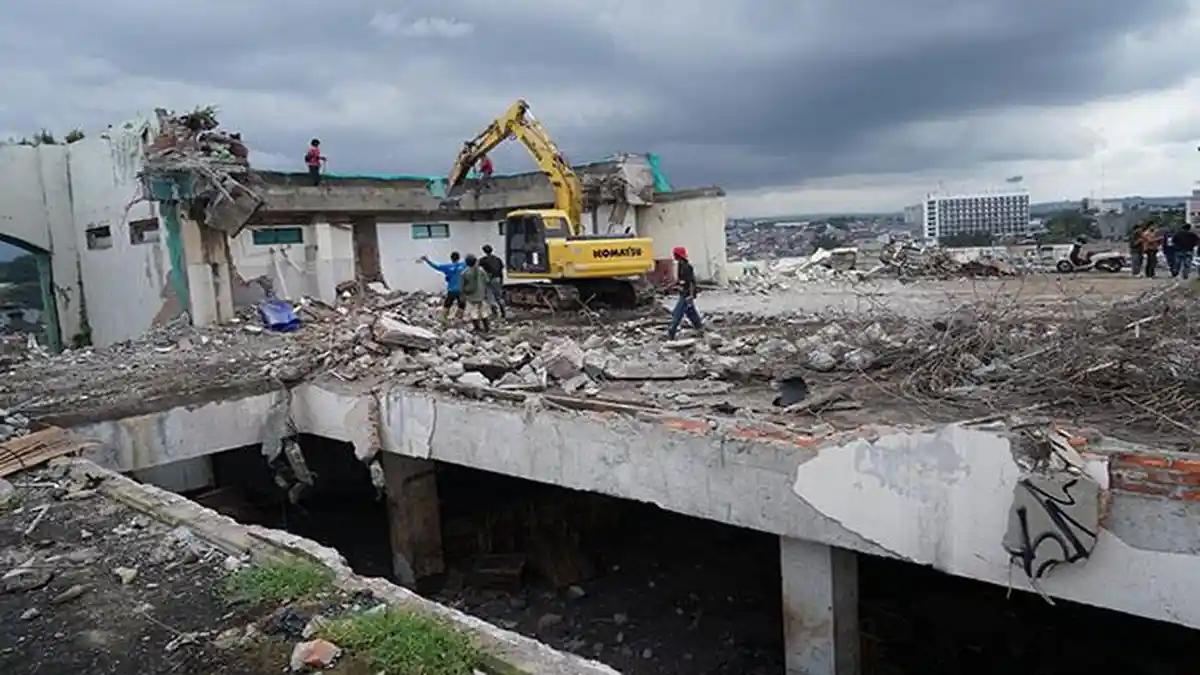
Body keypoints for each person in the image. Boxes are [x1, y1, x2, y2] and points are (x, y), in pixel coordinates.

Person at [667, 246, 703, 340]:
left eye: (674, 254)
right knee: (691, 312)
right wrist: (671, 285)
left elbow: (691, 282)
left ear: (678, 255)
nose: (673, 256)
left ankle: (671, 332)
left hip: (687, 294)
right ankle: (700, 328)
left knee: (677, 313)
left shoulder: (687, 267)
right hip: (683, 292)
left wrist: (691, 295)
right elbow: (680, 280)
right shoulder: (680, 265)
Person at [420, 252, 466, 322]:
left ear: (451, 259)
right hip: (461, 289)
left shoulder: (447, 267)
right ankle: (458, 319)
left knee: (447, 304)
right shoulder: (464, 265)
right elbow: (473, 263)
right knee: (462, 305)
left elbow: (436, 266)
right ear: (459, 258)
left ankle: (442, 318)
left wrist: (427, 260)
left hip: (451, 289)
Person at [460, 254, 492, 334]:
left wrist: (463, 296)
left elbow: (462, 286)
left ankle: (477, 328)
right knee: (484, 312)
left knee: (474, 312)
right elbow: (487, 280)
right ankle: (487, 328)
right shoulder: (481, 270)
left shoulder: (464, 273)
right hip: (481, 295)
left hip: (471, 297)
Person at [479, 244, 507, 319]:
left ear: (484, 251)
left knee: (490, 297)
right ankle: (503, 312)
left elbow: (479, 270)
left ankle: (495, 313)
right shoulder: (498, 259)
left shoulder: (482, 260)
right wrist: (501, 281)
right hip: (497, 279)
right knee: (498, 297)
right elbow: (501, 271)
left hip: (488, 280)